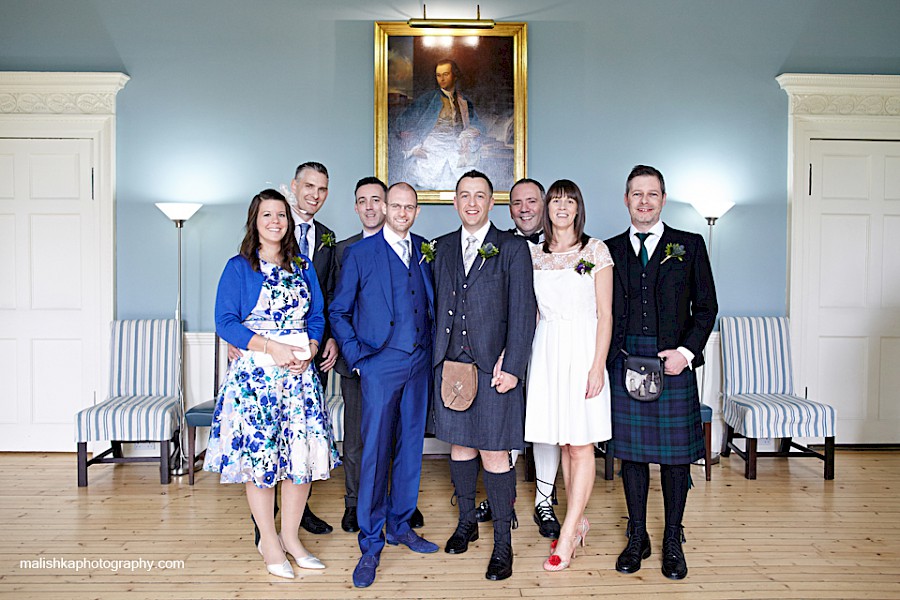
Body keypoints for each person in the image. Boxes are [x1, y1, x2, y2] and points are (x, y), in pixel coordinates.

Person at [204, 189, 341, 579]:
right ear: (255, 221)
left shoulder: (303, 265)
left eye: (281, 215)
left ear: (288, 221)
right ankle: (268, 540)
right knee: (262, 461)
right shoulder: (238, 267)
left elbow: (317, 313)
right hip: (257, 380)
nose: (275, 221)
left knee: (300, 461)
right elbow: (225, 321)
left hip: (299, 377)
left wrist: (312, 345)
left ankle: (291, 538)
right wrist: (271, 348)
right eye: (267, 215)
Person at [605, 165, 718, 580]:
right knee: (630, 455)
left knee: (674, 460)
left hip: (673, 363)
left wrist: (686, 352)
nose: (645, 201)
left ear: (663, 199)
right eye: (637, 194)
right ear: (626, 199)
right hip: (624, 359)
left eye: (652, 194)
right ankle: (637, 535)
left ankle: (672, 537)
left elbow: (706, 308)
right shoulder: (608, 249)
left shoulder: (689, 245)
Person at [330, 182, 439, 588]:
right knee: (374, 451)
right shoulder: (359, 253)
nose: (402, 212)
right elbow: (338, 311)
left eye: (410, 207)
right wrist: (358, 359)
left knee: (411, 447)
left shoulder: (426, 250)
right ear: (385, 207)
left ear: (415, 211)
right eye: (396, 205)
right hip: (378, 363)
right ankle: (370, 542)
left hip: (419, 362)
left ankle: (400, 524)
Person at [432, 170, 537, 581]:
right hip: (451, 367)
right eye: (464, 195)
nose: (471, 203)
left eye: (480, 196)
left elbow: (524, 311)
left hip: (494, 370)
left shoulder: (511, 248)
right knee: (460, 448)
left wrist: (513, 366)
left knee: (494, 454)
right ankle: (466, 523)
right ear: (455, 201)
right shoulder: (440, 248)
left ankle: (503, 545)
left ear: (491, 203)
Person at [240, 162, 338, 539]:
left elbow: (322, 304)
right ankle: (265, 529)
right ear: (294, 186)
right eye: (308, 186)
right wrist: (246, 344)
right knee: (264, 443)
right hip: (261, 366)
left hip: (305, 361)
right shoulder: (248, 256)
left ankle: (294, 524)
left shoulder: (324, 244)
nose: (315, 194)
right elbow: (233, 312)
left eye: (323, 188)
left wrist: (319, 340)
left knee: (300, 443)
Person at [524, 179, 613, 571]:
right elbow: (533, 312)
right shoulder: (534, 254)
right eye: (555, 200)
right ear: (547, 208)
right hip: (546, 350)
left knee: (581, 445)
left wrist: (597, 365)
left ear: (578, 208)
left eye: (569, 200)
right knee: (562, 441)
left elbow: (606, 314)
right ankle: (576, 523)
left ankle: (569, 532)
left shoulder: (595, 250)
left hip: (582, 351)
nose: (562, 206)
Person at [474, 177, 562, 540]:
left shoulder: (565, 247)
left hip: (549, 346)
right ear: (508, 208)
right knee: (505, 421)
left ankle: (544, 499)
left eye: (531, 201)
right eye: (516, 203)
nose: (524, 208)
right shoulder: (501, 246)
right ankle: (502, 498)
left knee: (546, 425)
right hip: (506, 347)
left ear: (543, 204)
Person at [396, 59, 486, 190]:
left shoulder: (464, 101)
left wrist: (468, 135)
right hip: (432, 146)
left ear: (454, 76)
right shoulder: (428, 99)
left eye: (446, 74)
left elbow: (478, 124)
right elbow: (402, 122)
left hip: (456, 146)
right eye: (438, 75)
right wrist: (414, 144)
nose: (442, 79)